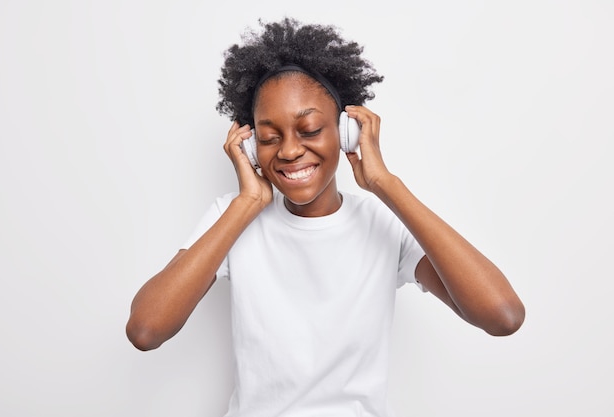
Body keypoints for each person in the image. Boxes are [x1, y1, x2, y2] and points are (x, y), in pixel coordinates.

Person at [126, 17, 525, 417]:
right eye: (268, 138)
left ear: (346, 132)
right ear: (249, 148)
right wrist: (247, 204)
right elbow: (146, 329)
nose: (289, 150)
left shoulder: (384, 222)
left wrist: (385, 184)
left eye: (310, 129)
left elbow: (502, 316)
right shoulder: (230, 217)